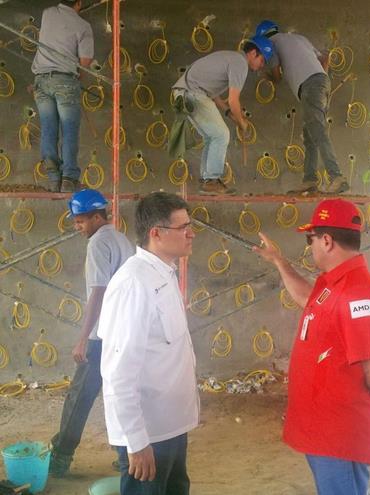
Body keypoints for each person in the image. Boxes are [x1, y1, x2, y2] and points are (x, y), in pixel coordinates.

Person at [253, 198, 370, 495]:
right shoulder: (335, 283)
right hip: (325, 431)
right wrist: (279, 261)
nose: (311, 246)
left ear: (327, 241)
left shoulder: (356, 292)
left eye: (311, 239)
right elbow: (308, 298)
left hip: (339, 433)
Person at [98, 192, 199, 494]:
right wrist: (137, 441)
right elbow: (118, 371)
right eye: (183, 227)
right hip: (149, 431)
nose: (191, 233)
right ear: (156, 233)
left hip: (170, 424)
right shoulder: (133, 284)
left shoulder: (163, 274)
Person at [49, 189, 134, 477]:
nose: (78, 227)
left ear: (97, 217)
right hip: (123, 333)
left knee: (79, 397)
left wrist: (84, 338)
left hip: (102, 336)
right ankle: (127, 457)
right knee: (119, 394)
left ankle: (60, 457)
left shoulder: (98, 243)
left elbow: (98, 291)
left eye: (81, 221)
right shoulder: (121, 239)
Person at [172, 35, 273, 196]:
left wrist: (229, 114)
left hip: (185, 93)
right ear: (254, 53)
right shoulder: (240, 63)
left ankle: (207, 180)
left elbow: (215, 96)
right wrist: (241, 122)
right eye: (262, 61)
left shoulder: (230, 58)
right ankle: (211, 180)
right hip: (193, 93)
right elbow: (234, 100)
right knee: (221, 135)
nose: (261, 66)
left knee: (211, 137)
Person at [256, 20, 349, 195]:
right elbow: (324, 57)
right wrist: (320, 76)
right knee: (310, 134)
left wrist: (266, 75)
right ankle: (310, 179)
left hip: (311, 86)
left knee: (317, 130)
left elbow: (276, 76)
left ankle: (336, 176)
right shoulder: (298, 38)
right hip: (321, 82)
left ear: (263, 37)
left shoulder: (272, 44)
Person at [32, 0, 93, 193]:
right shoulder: (83, 26)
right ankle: (69, 178)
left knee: (49, 128)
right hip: (66, 80)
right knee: (69, 131)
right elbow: (85, 61)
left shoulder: (47, 13)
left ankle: (52, 177)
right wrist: (76, 78)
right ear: (79, 3)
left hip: (41, 80)